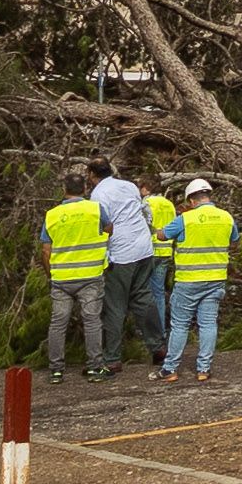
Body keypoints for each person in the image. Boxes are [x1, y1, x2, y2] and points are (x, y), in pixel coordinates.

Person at [154, 177, 234, 383]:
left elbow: (162, 236)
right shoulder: (226, 217)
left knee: (180, 325)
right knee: (208, 324)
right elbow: (234, 238)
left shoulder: (185, 219)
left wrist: (153, 227)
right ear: (209, 196)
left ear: (191, 200)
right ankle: (203, 369)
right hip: (216, 279)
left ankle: (170, 369)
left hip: (188, 280)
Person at [89, 155, 165, 369]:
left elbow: (103, 225)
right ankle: (158, 347)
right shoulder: (129, 185)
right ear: (110, 170)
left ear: (91, 176)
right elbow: (143, 211)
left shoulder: (98, 195)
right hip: (143, 247)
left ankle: (112, 358)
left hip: (121, 253)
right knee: (144, 298)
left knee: (114, 306)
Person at [38, 168, 114, 382]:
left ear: (64, 190)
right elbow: (109, 229)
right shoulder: (95, 209)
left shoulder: (52, 215)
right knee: (91, 321)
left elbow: (46, 250)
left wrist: (50, 274)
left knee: (58, 322)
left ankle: (55, 370)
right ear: (85, 188)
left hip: (61, 277)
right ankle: (95, 368)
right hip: (90, 274)